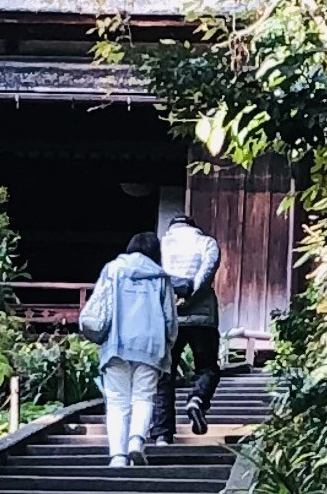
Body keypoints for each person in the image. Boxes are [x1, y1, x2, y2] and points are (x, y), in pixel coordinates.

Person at [82, 227, 179, 467]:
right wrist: (168, 344)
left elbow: (101, 305)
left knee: (117, 402)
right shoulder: (161, 277)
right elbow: (170, 319)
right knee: (143, 397)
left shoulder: (113, 270)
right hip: (150, 346)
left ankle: (117, 456)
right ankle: (136, 441)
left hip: (117, 343)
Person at [156, 196, 223, 437]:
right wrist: (192, 295)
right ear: (194, 227)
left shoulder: (162, 245)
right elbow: (208, 271)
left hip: (169, 316)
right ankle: (197, 399)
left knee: (165, 373)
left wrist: (175, 300)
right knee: (207, 367)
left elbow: (157, 275)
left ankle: (163, 432)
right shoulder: (207, 243)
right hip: (203, 317)